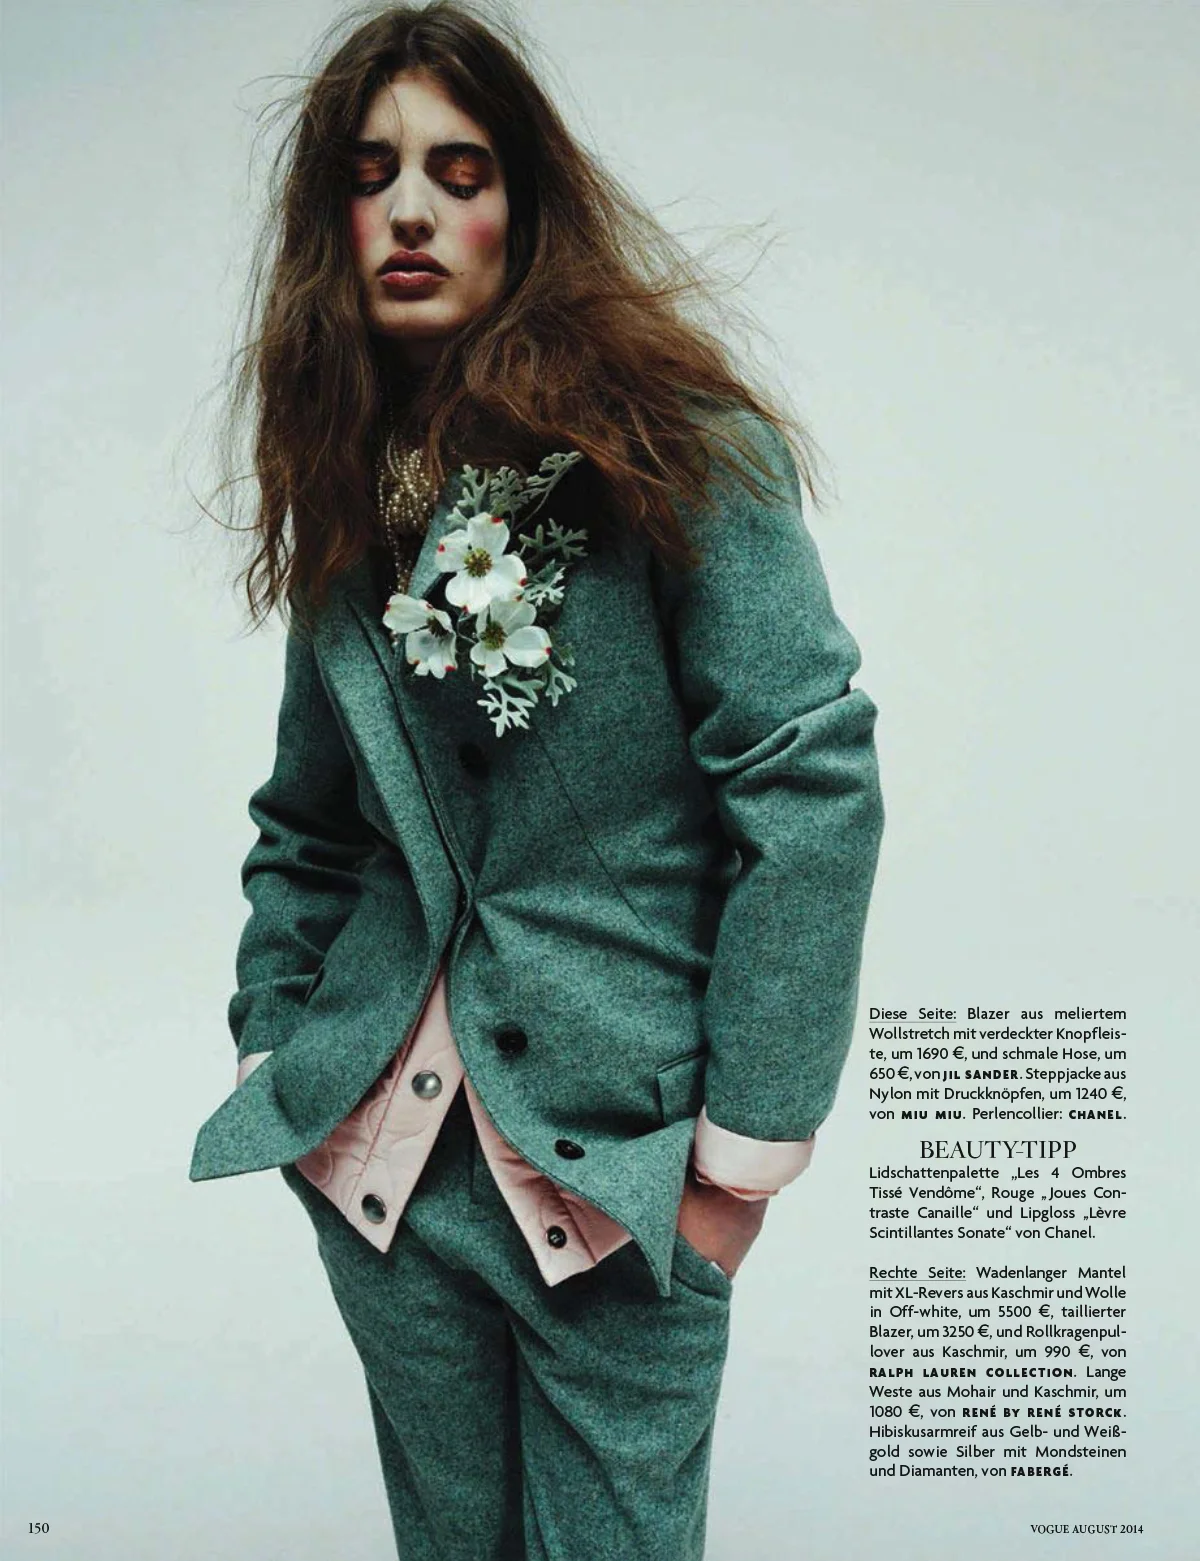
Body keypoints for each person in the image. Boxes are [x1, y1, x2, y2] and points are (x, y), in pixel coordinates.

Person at [189, 4, 884, 1557]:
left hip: (613, 1176)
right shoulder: (348, 487)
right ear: (328, 223)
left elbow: (809, 781)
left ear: (527, 204)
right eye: (371, 175)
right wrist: (276, 1048)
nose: (412, 211)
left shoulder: (684, 448)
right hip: (382, 1168)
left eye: (459, 170)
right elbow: (308, 821)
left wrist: (735, 1171)